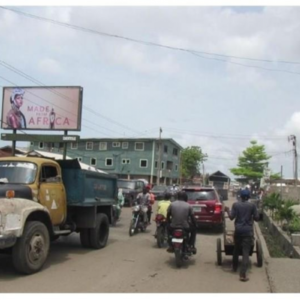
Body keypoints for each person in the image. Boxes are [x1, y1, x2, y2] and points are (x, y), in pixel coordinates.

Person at [225, 189, 260, 282]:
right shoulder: (252, 206)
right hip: (248, 232)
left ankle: (234, 267)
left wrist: (228, 210)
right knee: (245, 253)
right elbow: (256, 218)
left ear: (240, 196)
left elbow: (231, 217)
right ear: (248, 197)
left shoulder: (236, 205)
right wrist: (254, 214)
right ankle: (243, 274)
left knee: (236, 249)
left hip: (238, 231)